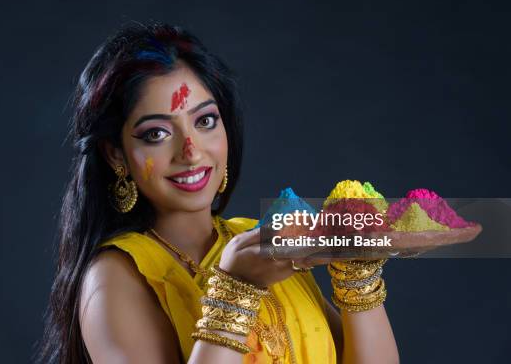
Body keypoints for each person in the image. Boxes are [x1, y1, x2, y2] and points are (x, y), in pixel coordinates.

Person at [35, 23, 399, 364]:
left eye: (205, 121)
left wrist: (356, 275)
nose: (191, 151)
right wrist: (236, 292)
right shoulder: (116, 275)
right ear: (116, 154)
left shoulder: (260, 241)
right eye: (157, 133)